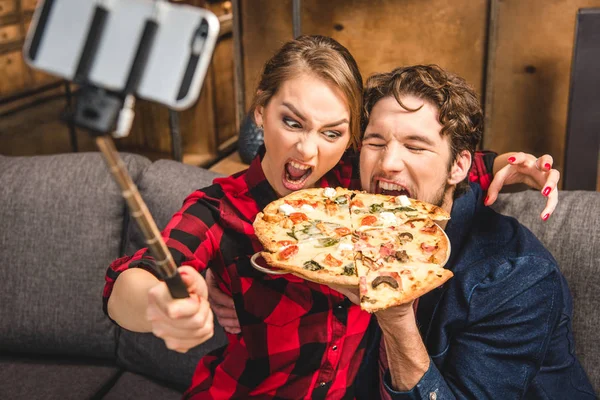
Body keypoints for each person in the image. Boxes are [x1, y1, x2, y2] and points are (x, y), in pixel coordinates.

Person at [103, 36, 561, 399]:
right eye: (292, 122)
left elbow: (434, 168)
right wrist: (161, 305)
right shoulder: (217, 208)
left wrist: (507, 167)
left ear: (348, 140)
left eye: (332, 132)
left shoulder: (349, 185)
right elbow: (133, 279)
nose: (307, 150)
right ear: (260, 111)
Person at [340, 65, 594, 398]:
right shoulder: (356, 224)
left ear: (459, 167)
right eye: (375, 141)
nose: (387, 163)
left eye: (415, 147)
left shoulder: (518, 276)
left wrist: (395, 317)